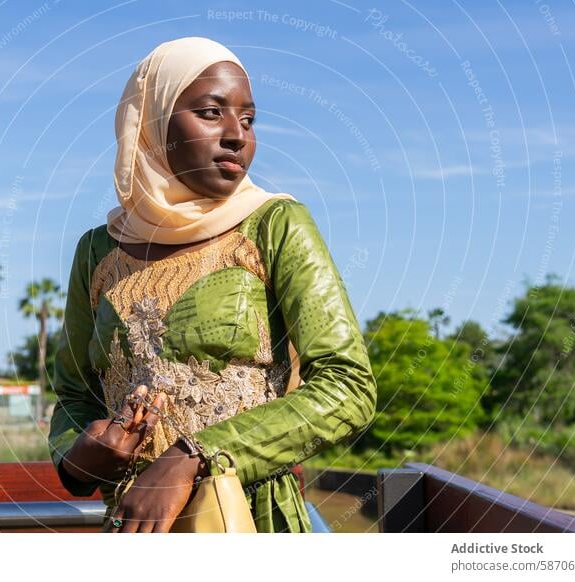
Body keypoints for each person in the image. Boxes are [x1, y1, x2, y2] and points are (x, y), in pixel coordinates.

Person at [48, 36, 377, 533]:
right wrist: (79, 455)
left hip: (252, 520)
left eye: (248, 120)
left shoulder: (274, 224)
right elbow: (74, 395)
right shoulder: (97, 250)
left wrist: (193, 457)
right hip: (136, 527)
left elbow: (348, 387)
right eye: (210, 113)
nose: (236, 136)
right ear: (152, 123)